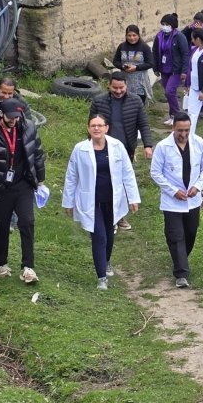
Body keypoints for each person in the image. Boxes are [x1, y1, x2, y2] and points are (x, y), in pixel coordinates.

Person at [61, 113, 141, 290]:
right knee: (99, 236)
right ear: (88, 129)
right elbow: (72, 175)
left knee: (109, 234)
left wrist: (133, 198)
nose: (96, 128)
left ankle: (106, 260)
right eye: (93, 125)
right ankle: (102, 277)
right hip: (91, 200)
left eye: (100, 125)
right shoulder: (80, 149)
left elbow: (127, 173)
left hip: (112, 199)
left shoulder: (117, 146)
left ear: (106, 128)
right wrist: (68, 201)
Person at [0, 97, 46, 284]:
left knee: (27, 222)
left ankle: (28, 267)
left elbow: (37, 154)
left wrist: (41, 180)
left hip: (23, 184)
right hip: (0, 186)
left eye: (17, 118)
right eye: (10, 118)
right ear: (1, 114)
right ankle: (1, 263)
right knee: (2, 226)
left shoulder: (28, 128)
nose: (14, 121)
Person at [150, 112, 203, 288]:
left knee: (190, 233)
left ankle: (180, 259)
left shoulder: (199, 143)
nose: (183, 134)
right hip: (172, 202)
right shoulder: (163, 147)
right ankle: (181, 274)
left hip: (193, 200)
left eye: (186, 130)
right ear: (173, 128)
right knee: (176, 235)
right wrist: (173, 191)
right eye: (180, 130)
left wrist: (198, 186)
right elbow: (155, 173)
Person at [89, 74, 153, 231]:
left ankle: (120, 216)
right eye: (115, 88)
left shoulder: (136, 101)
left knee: (122, 182)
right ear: (108, 86)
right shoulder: (99, 101)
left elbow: (143, 124)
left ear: (126, 86)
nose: (118, 91)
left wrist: (148, 145)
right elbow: (92, 125)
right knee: (105, 182)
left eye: (121, 88)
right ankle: (106, 216)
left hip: (126, 149)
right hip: (103, 149)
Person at [152, 13, 190, 126]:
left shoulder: (179, 37)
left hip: (176, 70)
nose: (164, 26)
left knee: (170, 91)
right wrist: (155, 67)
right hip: (164, 69)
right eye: (163, 24)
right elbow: (155, 52)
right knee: (169, 94)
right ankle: (172, 115)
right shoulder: (159, 36)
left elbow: (185, 54)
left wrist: (184, 71)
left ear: (173, 25)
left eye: (167, 24)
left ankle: (178, 116)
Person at [114, 24, 154, 105]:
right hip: (125, 81)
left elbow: (151, 63)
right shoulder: (122, 46)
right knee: (125, 105)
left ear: (138, 35)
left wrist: (136, 67)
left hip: (140, 82)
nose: (132, 38)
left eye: (134, 35)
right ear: (126, 36)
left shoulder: (144, 47)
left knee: (139, 105)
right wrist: (123, 66)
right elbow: (115, 61)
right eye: (129, 35)